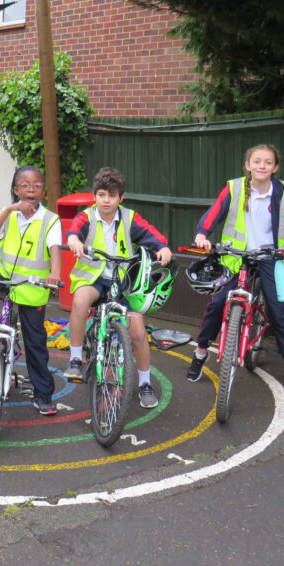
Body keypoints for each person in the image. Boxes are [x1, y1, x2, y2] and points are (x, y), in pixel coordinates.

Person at [189, 144, 284, 393]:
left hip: (271, 256)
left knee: (278, 311)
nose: (262, 166)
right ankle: (200, 353)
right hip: (235, 255)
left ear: (275, 167)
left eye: (267, 162)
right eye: (257, 161)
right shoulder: (234, 187)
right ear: (248, 165)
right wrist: (202, 234)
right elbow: (214, 213)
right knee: (218, 302)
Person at [64, 167, 173, 409]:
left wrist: (163, 247)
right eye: (102, 194)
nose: (106, 200)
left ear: (120, 198)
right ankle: (74, 358)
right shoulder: (86, 216)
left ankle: (144, 383)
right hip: (92, 278)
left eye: (112, 195)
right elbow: (74, 233)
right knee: (80, 303)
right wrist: (73, 241)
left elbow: (152, 235)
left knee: (137, 333)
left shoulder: (129, 217)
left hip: (122, 282)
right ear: (95, 196)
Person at [0, 165, 62, 415]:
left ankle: (43, 394)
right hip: (3, 271)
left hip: (32, 284)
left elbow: (54, 250)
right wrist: (9, 209)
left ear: (44, 190)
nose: (31, 189)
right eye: (25, 185)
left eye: (37, 185)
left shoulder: (51, 220)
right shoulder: (8, 212)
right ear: (15, 189)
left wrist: (55, 275)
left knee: (36, 342)